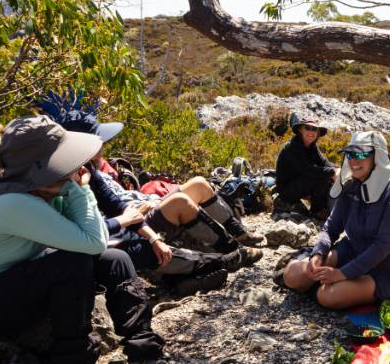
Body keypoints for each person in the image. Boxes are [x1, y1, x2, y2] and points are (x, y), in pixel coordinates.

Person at [0, 116, 195, 364]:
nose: (77, 166)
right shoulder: (12, 202)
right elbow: (92, 241)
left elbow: (91, 238)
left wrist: (71, 188)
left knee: (115, 259)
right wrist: (79, 189)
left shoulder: (39, 190)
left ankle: (146, 360)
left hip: (10, 279)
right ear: (41, 168)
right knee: (73, 263)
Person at [57, 109, 260, 295]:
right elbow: (90, 230)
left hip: (119, 229)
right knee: (141, 248)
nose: (104, 145)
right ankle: (223, 260)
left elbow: (114, 203)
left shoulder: (89, 170)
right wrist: (126, 220)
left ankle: (205, 265)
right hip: (93, 245)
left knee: (153, 238)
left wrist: (152, 236)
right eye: (99, 141)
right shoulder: (63, 181)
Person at [283, 131, 390, 309]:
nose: (353, 160)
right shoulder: (351, 185)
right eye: (350, 154)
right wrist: (318, 254)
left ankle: (323, 288)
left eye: (361, 154)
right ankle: (322, 284)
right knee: (292, 274)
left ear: (378, 157)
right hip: (352, 251)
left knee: (327, 296)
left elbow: (383, 246)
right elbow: (331, 227)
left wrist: (341, 274)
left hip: (384, 269)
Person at [274, 111, 336, 218]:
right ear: (300, 130)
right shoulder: (292, 147)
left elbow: (324, 162)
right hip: (286, 190)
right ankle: (317, 211)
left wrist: (338, 169)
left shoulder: (312, 146)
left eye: (314, 129)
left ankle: (322, 208)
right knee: (321, 175)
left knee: (326, 174)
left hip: (299, 183)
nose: (311, 132)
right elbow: (307, 170)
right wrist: (332, 172)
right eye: (307, 128)